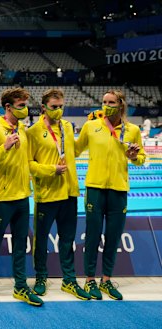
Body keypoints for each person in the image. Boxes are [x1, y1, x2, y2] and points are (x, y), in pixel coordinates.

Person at [75, 90, 146, 300]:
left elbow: (141, 158)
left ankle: (106, 280)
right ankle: (89, 280)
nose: (106, 105)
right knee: (93, 236)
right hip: (95, 188)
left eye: (111, 102)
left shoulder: (132, 130)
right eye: (104, 101)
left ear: (120, 104)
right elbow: (75, 150)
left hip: (118, 189)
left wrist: (134, 157)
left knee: (113, 238)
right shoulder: (91, 126)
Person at [0, 87, 43, 306]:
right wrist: (4, 147)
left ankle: (21, 286)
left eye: (26, 105)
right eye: (21, 106)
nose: (25, 109)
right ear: (8, 107)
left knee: (20, 244)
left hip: (22, 196)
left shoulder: (24, 130)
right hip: (1, 198)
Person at [26, 88, 91, 300]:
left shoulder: (68, 127)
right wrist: (50, 170)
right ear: (44, 107)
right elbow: (29, 165)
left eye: (61, 106)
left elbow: (73, 152)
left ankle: (69, 280)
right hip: (47, 194)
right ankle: (41, 277)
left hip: (69, 192)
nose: (59, 111)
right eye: (54, 107)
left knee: (67, 239)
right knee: (42, 239)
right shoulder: (33, 131)